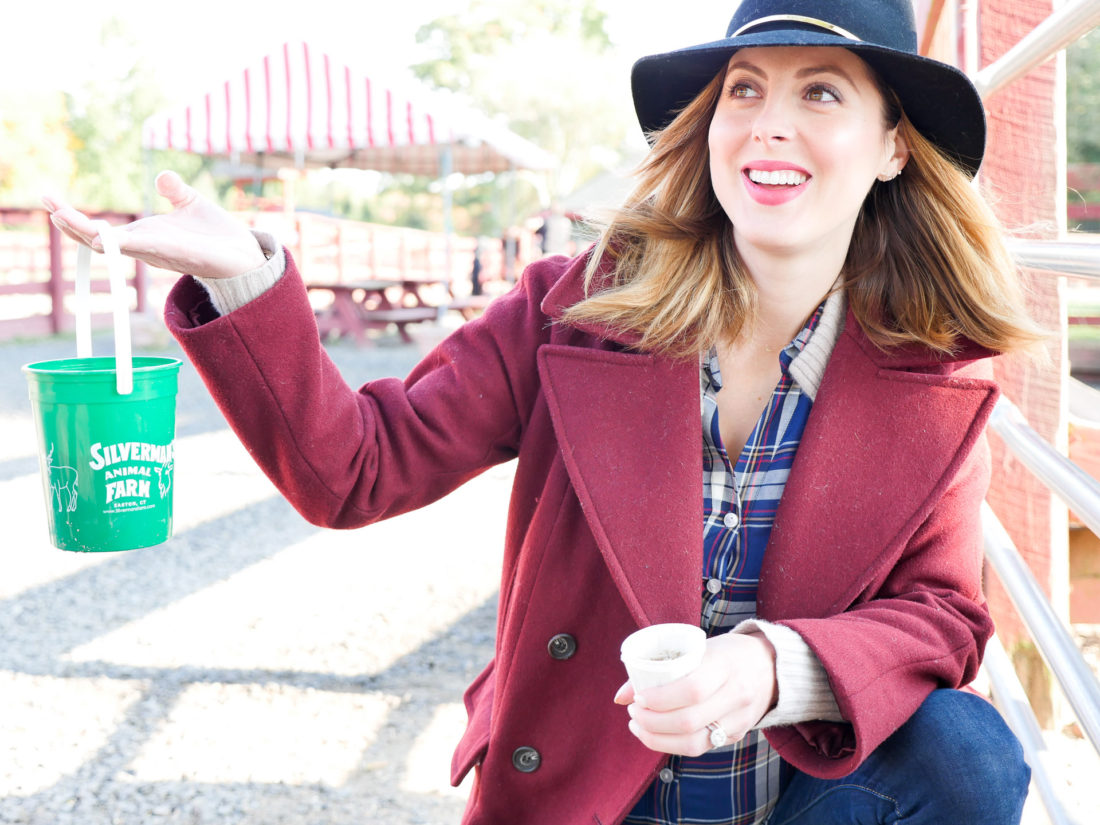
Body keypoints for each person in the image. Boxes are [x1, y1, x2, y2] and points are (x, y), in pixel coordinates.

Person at [44, 1, 1044, 822]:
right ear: (708, 128)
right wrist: (247, 278)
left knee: (966, 753)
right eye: (743, 89)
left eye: (819, 92)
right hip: (586, 791)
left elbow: (943, 619)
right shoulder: (572, 309)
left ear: (890, 151)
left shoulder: (935, 372)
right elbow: (353, 469)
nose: (767, 123)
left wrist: (782, 667)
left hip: (801, 798)